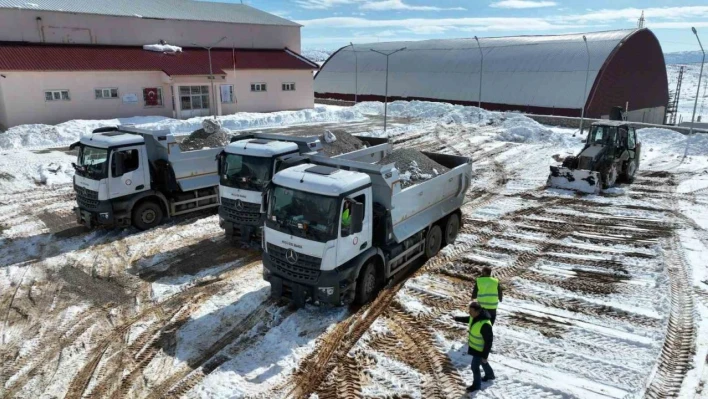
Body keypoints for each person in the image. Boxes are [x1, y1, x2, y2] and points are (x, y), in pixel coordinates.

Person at [454, 301, 495, 392]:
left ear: (478, 311)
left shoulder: (485, 324)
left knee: (474, 367)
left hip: (480, 350)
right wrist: (457, 318)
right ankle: (490, 375)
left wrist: (485, 356)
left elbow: (489, 342)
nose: (469, 312)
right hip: (475, 347)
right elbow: (468, 319)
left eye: (471, 311)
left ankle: (476, 386)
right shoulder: (475, 317)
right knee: (482, 362)